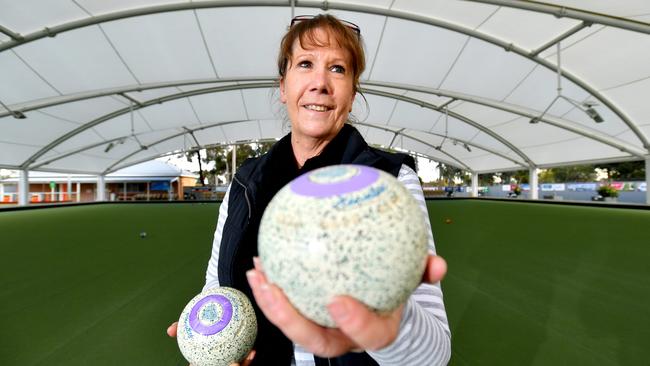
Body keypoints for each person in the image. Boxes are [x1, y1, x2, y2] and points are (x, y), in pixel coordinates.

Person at [168, 14, 451, 365]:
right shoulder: (245, 182)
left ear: (352, 93)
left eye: (337, 69)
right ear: (283, 86)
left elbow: (435, 355)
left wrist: (387, 317)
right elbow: (216, 286)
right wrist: (213, 337)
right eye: (305, 63)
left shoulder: (390, 182)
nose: (320, 82)